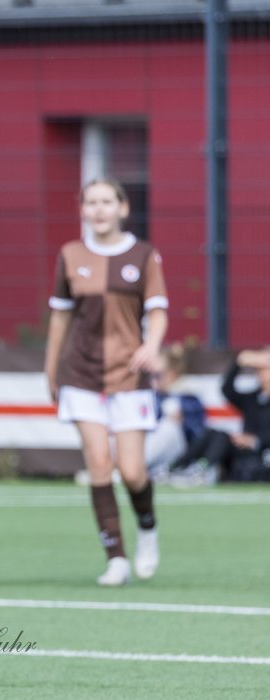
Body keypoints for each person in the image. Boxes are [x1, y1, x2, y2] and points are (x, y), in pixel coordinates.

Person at [44, 177, 167, 587]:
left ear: (123, 208)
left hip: (130, 376)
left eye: (106, 202)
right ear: (82, 209)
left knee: (132, 471)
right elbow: (60, 317)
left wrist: (151, 345)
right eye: (91, 202)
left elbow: (159, 311)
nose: (99, 209)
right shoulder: (70, 255)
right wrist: (52, 369)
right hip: (80, 374)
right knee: (99, 462)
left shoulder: (144, 255)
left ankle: (147, 529)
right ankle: (115, 557)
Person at [170, 348, 270, 483]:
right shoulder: (253, 398)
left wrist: (255, 440)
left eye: (264, 369)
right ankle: (176, 468)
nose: (260, 374)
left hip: (262, 451)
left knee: (222, 438)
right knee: (215, 434)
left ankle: (204, 471)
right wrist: (238, 362)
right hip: (242, 449)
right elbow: (227, 389)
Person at [145, 344, 206, 480]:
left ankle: (132, 467)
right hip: (150, 447)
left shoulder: (188, 397)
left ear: (172, 374)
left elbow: (198, 435)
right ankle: (126, 466)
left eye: (157, 376)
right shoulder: (150, 396)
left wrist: (183, 421)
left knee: (169, 426)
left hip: (179, 452)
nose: (152, 381)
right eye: (149, 375)